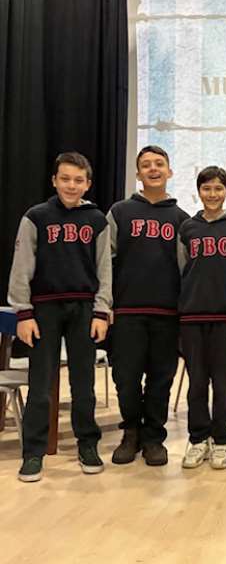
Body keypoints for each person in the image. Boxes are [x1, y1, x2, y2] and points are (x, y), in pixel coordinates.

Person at [8, 152, 111, 482]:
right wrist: (23, 313)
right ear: (54, 181)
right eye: (65, 179)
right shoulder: (36, 217)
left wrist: (102, 311)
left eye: (78, 180)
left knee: (84, 384)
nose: (71, 185)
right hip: (44, 310)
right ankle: (33, 452)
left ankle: (87, 444)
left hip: (84, 310)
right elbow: (21, 268)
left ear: (88, 184)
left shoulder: (97, 220)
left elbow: (104, 270)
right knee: (40, 385)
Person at [108, 145, 189, 466]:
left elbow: (186, 270)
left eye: (159, 164)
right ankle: (131, 432)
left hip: (167, 314)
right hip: (126, 312)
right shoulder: (119, 212)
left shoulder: (182, 219)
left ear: (169, 171)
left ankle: (154, 437)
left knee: (160, 379)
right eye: (146, 165)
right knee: (125, 378)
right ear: (138, 173)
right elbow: (104, 262)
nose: (153, 169)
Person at [177, 166, 226, 470]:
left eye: (218, 188)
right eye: (207, 188)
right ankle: (198, 439)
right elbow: (181, 269)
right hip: (192, 316)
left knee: (223, 383)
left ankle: (222, 440)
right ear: (199, 191)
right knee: (197, 383)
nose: (212, 194)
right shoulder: (187, 228)